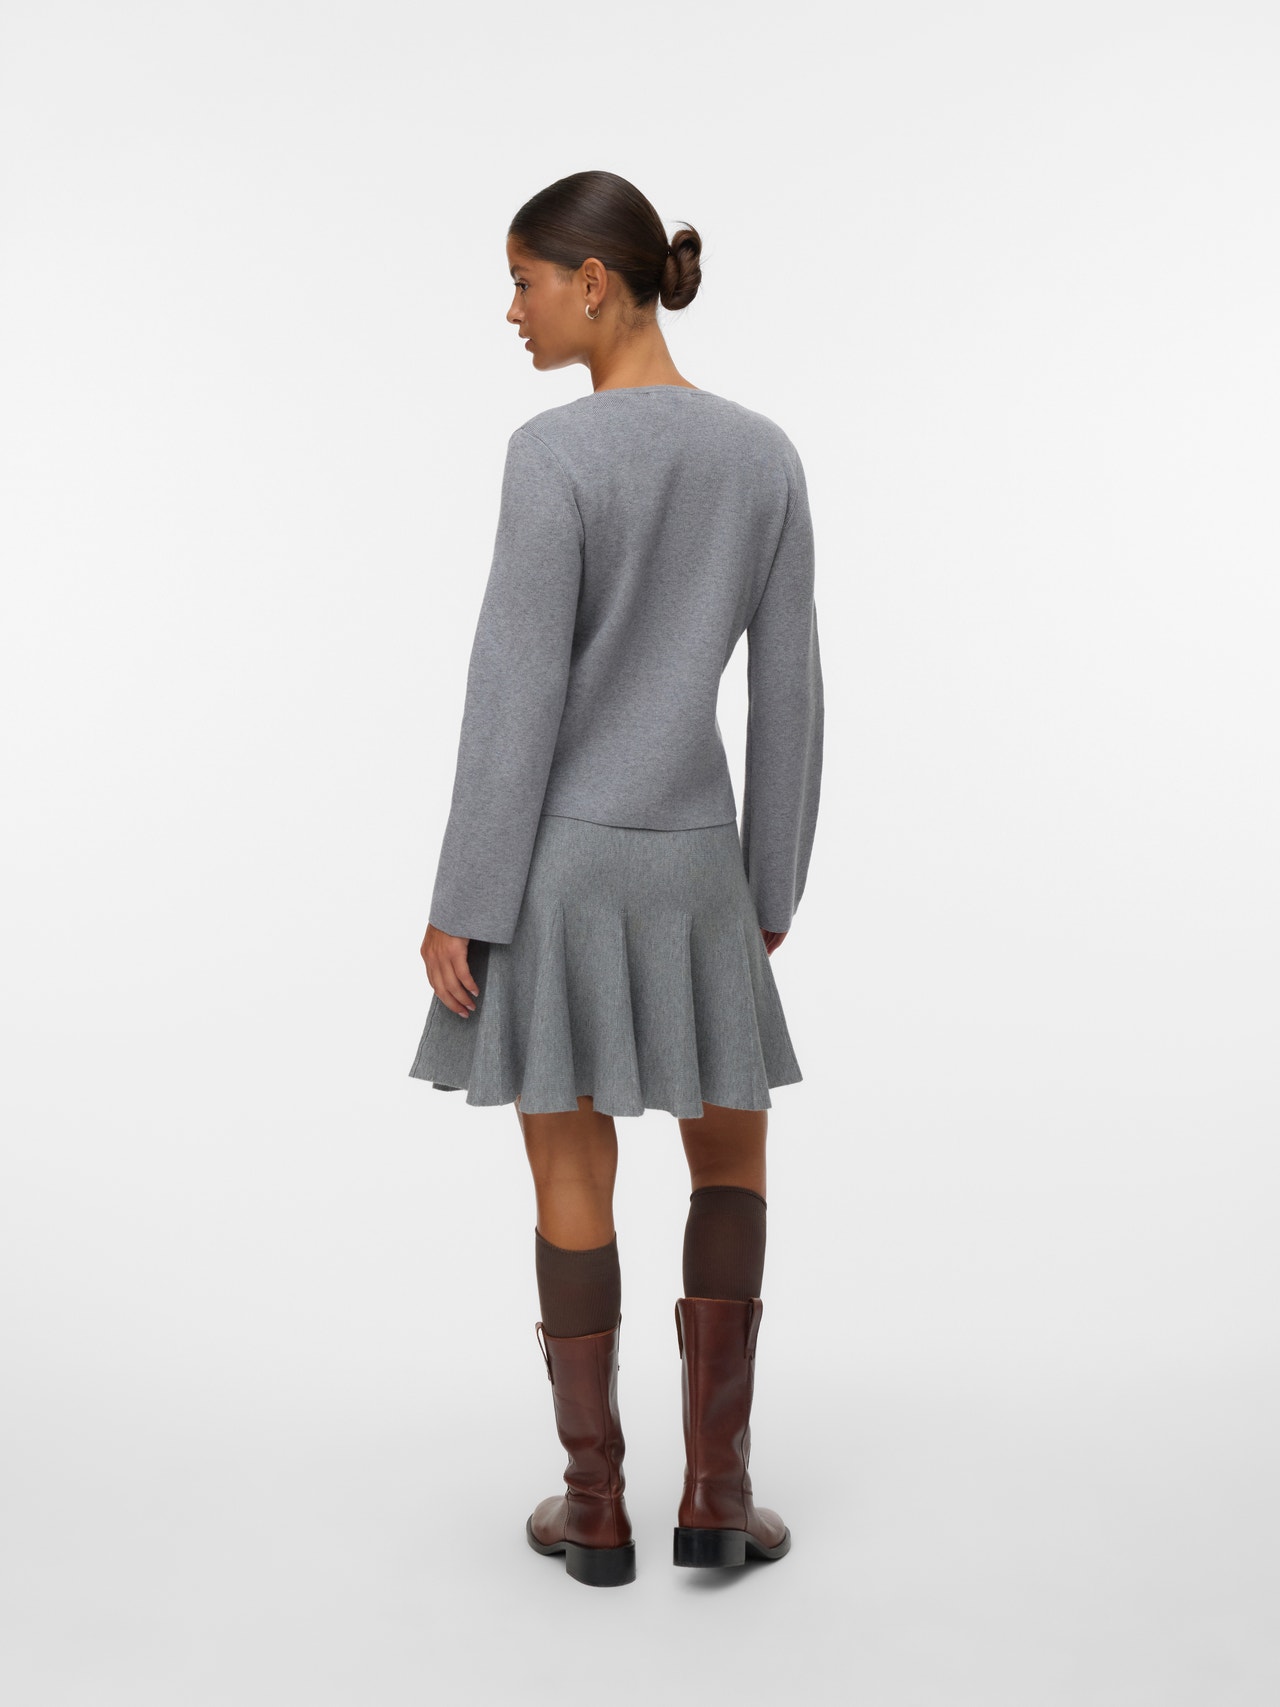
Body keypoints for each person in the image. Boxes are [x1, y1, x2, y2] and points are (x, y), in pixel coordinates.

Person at [409, 170, 823, 1587]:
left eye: (523, 281)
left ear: (596, 282)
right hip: (700, 864)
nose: (511, 311)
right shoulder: (763, 456)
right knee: (731, 1159)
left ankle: (595, 1509)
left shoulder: (553, 455)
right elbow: (791, 692)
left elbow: (513, 689)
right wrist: (770, 883)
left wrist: (465, 898)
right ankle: (719, 1491)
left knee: (570, 1169)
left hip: (563, 870)